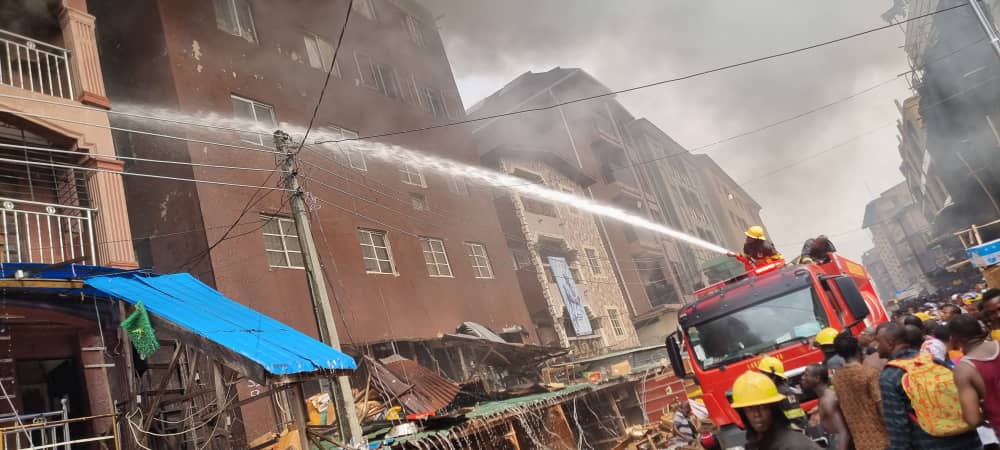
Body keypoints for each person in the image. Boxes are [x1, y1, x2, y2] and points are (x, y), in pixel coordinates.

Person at [877, 322, 982, 449]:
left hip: (930, 444)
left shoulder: (890, 376)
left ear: (890, 343)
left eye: (878, 342)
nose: (877, 347)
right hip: (968, 439)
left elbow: (897, 425)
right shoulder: (933, 360)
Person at [729, 370, 821, 450]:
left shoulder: (794, 445)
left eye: (762, 407)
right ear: (743, 413)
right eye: (750, 409)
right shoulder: (758, 444)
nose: (757, 414)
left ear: (773, 409)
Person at [831, 333, 889, 450]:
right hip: (881, 439)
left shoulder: (836, 378)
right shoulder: (869, 374)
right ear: (859, 349)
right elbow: (881, 407)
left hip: (860, 442)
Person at [801, 364, 850, 450]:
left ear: (817, 379)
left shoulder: (828, 400)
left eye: (806, 375)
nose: (802, 377)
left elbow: (843, 432)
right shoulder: (823, 398)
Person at [755, 356, 808, 430]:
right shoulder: (771, 390)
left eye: (763, 374)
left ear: (773, 377)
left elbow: (798, 420)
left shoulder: (785, 393)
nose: (761, 377)